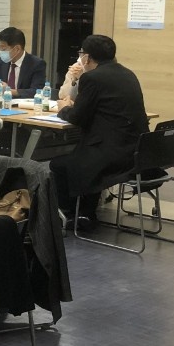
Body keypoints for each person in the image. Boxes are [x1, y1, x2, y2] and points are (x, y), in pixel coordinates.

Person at [52, 34, 148, 228]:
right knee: (81, 156)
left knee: (59, 164)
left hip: (112, 153)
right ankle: (86, 211)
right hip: (135, 150)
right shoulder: (128, 73)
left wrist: (64, 108)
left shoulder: (92, 78)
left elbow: (77, 118)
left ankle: (70, 214)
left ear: (86, 57)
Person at [0, 27, 46, 100]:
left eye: (3, 48)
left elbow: (36, 91)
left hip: (24, 105)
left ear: (17, 49)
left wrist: (9, 91)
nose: (0, 52)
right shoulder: (1, 61)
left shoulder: (37, 64)